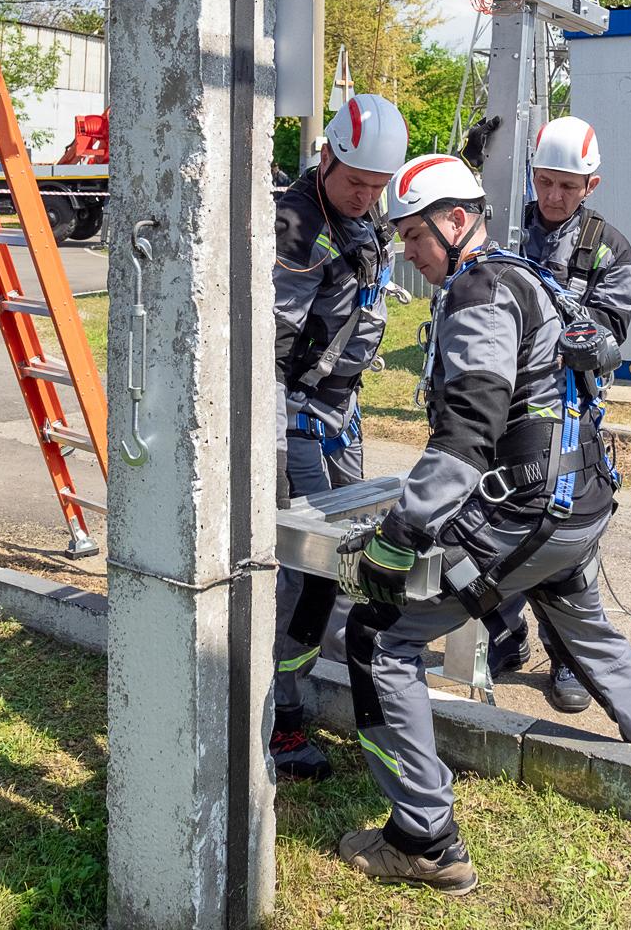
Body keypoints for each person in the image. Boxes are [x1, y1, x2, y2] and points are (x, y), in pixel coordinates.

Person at [338, 154, 631, 894]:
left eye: (411, 235)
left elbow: (467, 431)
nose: (405, 250)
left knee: (378, 637)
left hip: (525, 514)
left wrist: (399, 537)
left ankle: (423, 839)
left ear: (455, 221)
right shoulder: (527, 275)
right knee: (583, 624)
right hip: (578, 500)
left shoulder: (480, 289)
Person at [271, 93, 408, 780]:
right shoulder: (295, 224)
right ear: (325, 156)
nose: (365, 196)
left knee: (355, 554)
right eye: (355, 181)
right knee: (305, 567)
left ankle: (336, 682)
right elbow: (268, 344)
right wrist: (274, 425)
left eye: (377, 186)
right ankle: (279, 719)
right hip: (295, 413)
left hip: (339, 410)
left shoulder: (360, 215)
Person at [485, 113, 631, 713]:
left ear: (590, 187)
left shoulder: (609, 246)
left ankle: (568, 658)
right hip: (506, 404)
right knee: (492, 523)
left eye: (566, 187)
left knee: (566, 537)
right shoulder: (507, 229)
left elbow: (614, 327)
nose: (552, 196)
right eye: (544, 182)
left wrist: (584, 337)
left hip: (571, 411)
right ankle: (502, 634)